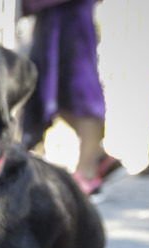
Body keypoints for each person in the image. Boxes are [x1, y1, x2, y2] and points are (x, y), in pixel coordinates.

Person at [21, 0, 118, 195]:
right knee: (51, 92)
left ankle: (87, 171)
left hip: (69, 9)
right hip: (47, 9)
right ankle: (98, 156)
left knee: (79, 86)